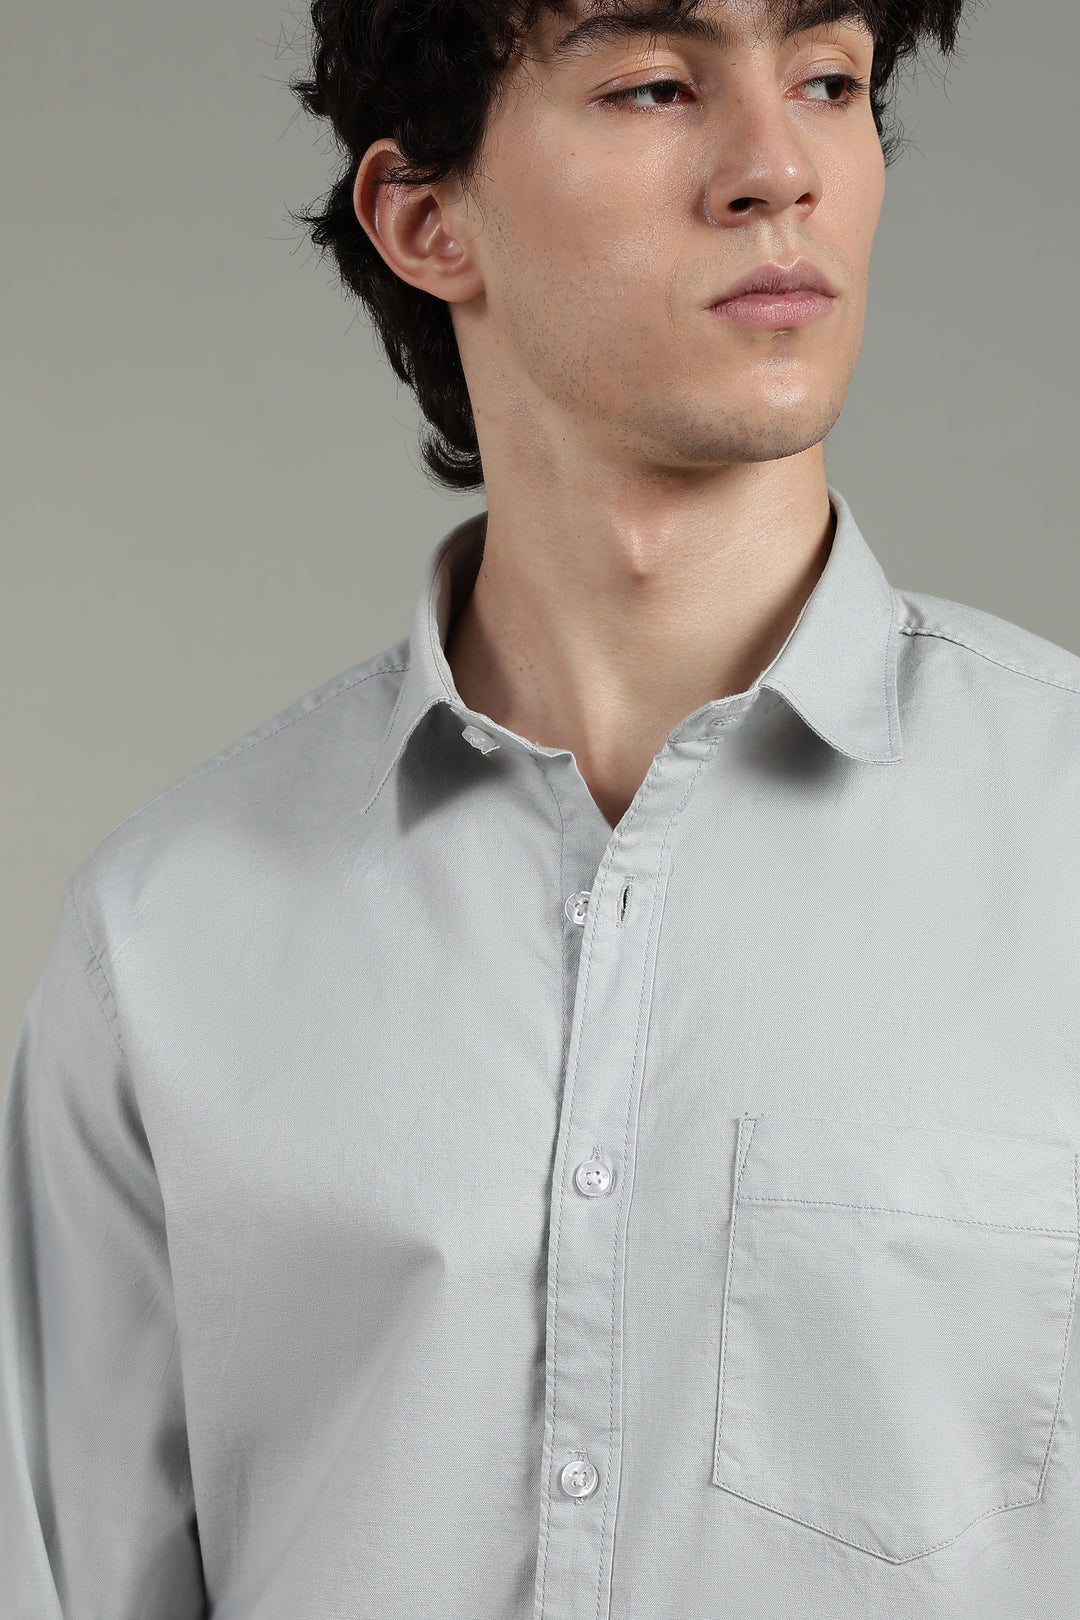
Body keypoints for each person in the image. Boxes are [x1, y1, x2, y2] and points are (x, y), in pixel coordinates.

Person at [4, 0, 1079, 1614]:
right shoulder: (167, 939)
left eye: (829, 80)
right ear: (426, 219)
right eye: (657, 83)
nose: (776, 168)